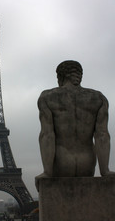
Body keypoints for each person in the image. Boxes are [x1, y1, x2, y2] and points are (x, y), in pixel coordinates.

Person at [36, 60, 115, 190]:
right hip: (87, 164)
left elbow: (47, 135)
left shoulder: (47, 97)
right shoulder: (99, 98)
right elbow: (102, 135)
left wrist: (47, 172)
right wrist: (104, 170)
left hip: (62, 162)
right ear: (79, 75)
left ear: (60, 77)